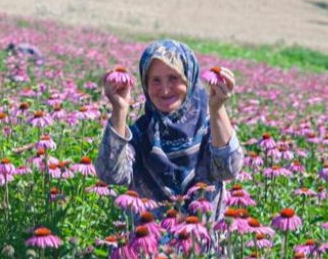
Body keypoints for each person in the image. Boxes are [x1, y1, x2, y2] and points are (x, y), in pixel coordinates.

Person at [95, 39, 244, 219]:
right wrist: (119, 109)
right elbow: (110, 174)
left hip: (202, 243)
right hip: (146, 245)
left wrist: (217, 108)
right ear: (145, 84)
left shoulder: (208, 129)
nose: (165, 90)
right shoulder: (140, 134)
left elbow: (228, 170)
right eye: (155, 80)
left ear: (189, 79)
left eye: (173, 78)